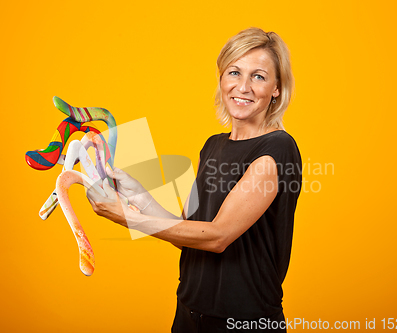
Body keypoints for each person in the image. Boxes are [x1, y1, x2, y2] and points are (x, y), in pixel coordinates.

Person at [87, 27, 302, 333]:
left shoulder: (277, 148)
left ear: (276, 88)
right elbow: (188, 234)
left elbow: (216, 237)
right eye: (234, 72)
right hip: (189, 315)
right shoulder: (212, 145)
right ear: (221, 79)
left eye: (258, 76)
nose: (243, 87)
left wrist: (127, 218)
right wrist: (138, 195)